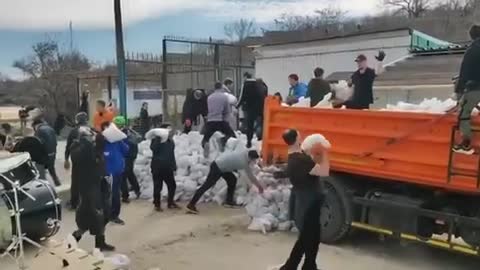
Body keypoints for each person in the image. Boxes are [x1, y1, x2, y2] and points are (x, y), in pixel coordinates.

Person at [276, 129, 330, 270]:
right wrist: (325, 153)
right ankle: (293, 266)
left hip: (307, 202)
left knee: (311, 237)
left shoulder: (295, 158)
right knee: (308, 238)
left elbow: (287, 172)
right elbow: (324, 171)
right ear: (297, 138)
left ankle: (307, 265)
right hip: (309, 203)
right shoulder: (300, 159)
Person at [68, 127, 115, 252]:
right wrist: (87, 141)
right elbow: (80, 158)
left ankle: (100, 243)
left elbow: (100, 153)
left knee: (103, 215)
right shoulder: (78, 147)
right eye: (90, 134)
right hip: (87, 187)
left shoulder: (94, 146)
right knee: (89, 218)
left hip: (99, 183)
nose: (92, 136)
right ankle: (70, 244)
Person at [186, 148, 264, 214]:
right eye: (253, 160)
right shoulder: (243, 163)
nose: (253, 162)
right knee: (207, 185)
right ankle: (191, 204)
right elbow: (251, 177)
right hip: (217, 167)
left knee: (232, 179)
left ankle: (229, 201)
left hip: (223, 166)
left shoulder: (244, 152)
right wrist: (259, 187)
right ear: (250, 158)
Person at [453, 25, 480, 155]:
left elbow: (464, 72)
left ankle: (466, 143)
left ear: (471, 36)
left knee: (463, 114)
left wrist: (459, 90)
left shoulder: (472, 50)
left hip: (475, 88)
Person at [101, 122, 129, 225]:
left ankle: (113, 215)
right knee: (110, 195)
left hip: (117, 171)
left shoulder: (117, 141)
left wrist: (122, 140)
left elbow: (126, 151)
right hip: (109, 173)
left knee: (115, 194)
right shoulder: (102, 143)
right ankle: (109, 215)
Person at [150, 124, 179, 212]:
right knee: (158, 187)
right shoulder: (156, 139)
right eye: (168, 130)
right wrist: (159, 137)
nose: (170, 132)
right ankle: (157, 204)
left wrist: (174, 166)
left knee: (172, 185)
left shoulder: (170, 141)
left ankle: (170, 202)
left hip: (168, 168)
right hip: (157, 167)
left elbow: (171, 155)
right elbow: (153, 148)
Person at [64, 112, 90, 210]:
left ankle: (74, 203)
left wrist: (66, 159)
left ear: (77, 120)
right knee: (88, 181)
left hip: (77, 160)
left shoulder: (74, 131)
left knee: (76, 182)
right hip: (89, 161)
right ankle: (87, 202)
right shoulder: (90, 130)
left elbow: (68, 147)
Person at [113, 116, 141, 203]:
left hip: (126, 157)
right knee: (129, 173)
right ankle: (137, 190)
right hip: (130, 156)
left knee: (123, 175)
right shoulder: (129, 132)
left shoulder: (121, 134)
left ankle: (125, 196)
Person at [202, 82, 237, 152]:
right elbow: (227, 110)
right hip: (220, 121)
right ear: (221, 88)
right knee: (232, 136)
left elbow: (208, 109)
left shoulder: (209, 97)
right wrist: (226, 121)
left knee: (206, 137)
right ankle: (223, 140)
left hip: (210, 121)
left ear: (214, 88)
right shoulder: (224, 97)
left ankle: (205, 144)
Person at [237, 72, 266, 148]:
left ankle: (249, 142)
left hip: (250, 109)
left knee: (250, 126)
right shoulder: (260, 84)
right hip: (261, 108)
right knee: (261, 124)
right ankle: (262, 140)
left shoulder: (246, 84)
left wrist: (237, 106)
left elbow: (242, 97)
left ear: (245, 77)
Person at [33, 118, 61, 186]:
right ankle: (57, 182)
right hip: (53, 152)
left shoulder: (39, 130)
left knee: (40, 169)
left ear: (36, 125)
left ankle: (44, 186)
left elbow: (38, 143)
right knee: (51, 168)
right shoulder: (51, 128)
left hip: (44, 154)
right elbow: (55, 142)